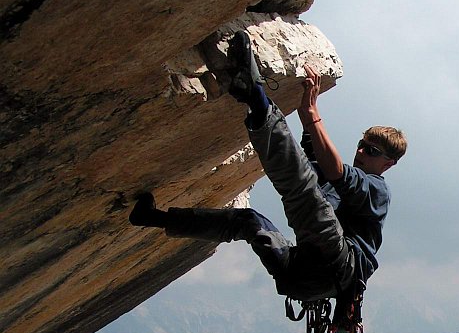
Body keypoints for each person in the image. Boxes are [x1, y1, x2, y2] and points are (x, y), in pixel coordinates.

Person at [129, 30, 406, 316]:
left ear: (388, 164)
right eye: (362, 145)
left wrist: (312, 115)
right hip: (302, 278)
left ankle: (253, 94)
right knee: (248, 222)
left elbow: (332, 173)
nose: (361, 152)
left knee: (303, 194)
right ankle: (151, 217)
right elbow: (310, 162)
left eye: (372, 152)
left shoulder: (376, 189)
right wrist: (306, 109)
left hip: (337, 265)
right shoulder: (340, 184)